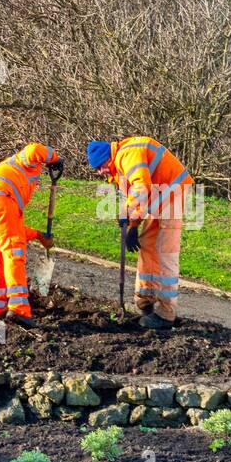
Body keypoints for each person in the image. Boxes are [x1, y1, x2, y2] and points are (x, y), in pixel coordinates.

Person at [86, 137, 192, 330]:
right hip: (161, 197)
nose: (99, 172)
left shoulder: (128, 155)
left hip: (173, 195)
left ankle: (166, 313)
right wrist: (133, 225)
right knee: (148, 246)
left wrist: (126, 213)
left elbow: (141, 189)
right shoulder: (121, 165)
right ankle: (145, 300)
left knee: (164, 253)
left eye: (99, 167)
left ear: (106, 158)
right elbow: (139, 195)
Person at [0, 143, 63, 327]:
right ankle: (19, 309)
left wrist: (38, 235)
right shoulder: (22, 161)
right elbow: (35, 149)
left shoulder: (6, 171)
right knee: (14, 254)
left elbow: (13, 229)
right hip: (0, 200)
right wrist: (55, 158)